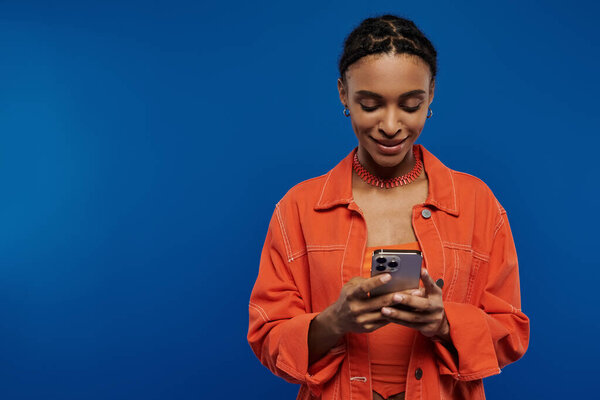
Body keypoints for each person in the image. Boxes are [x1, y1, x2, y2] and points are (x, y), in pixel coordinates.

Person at [247, 14, 529, 400]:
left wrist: (446, 324)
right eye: (370, 104)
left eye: (411, 105)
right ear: (343, 94)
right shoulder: (298, 208)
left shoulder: (477, 203)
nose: (391, 125)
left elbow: (511, 332)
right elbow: (267, 336)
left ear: (430, 97)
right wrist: (335, 321)